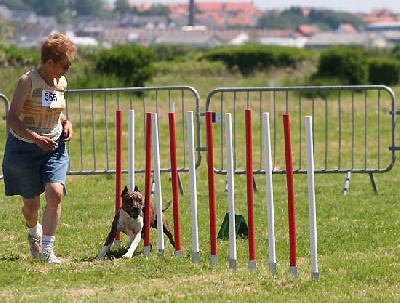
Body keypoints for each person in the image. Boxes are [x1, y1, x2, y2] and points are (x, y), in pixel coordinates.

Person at [2, 33, 77, 264]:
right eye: (65, 65)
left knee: (55, 193)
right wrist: (35, 138)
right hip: (25, 148)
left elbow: (54, 110)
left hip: (53, 145)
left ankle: (47, 251)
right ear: (50, 62)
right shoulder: (28, 81)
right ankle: (33, 231)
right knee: (31, 206)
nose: (68, 69)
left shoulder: (61, 82)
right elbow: (12, 118)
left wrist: (66, 123)